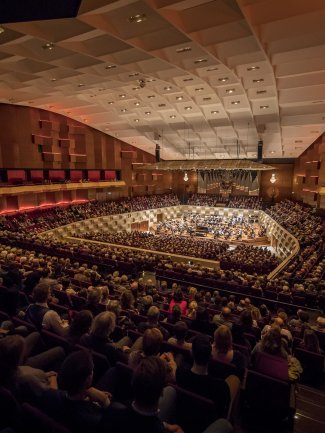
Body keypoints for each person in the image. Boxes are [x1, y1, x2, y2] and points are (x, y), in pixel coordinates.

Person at [176, 335, 240, 420]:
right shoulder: (221, 387)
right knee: (234, 379)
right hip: (208, 424)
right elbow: (223, 407)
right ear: (211, 356)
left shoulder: (180, 373)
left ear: (191, 353)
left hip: (183, 417)